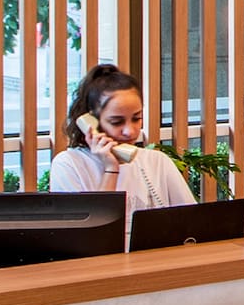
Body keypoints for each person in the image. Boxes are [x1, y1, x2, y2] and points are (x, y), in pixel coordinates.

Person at [49, 64, 196, 222]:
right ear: (93, 122)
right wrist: (111, 169)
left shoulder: (157, 161)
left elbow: (192, 222)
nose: (130, 131)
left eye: (136, 119)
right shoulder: (69, 165)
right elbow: (91, 234)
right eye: (117, 122)